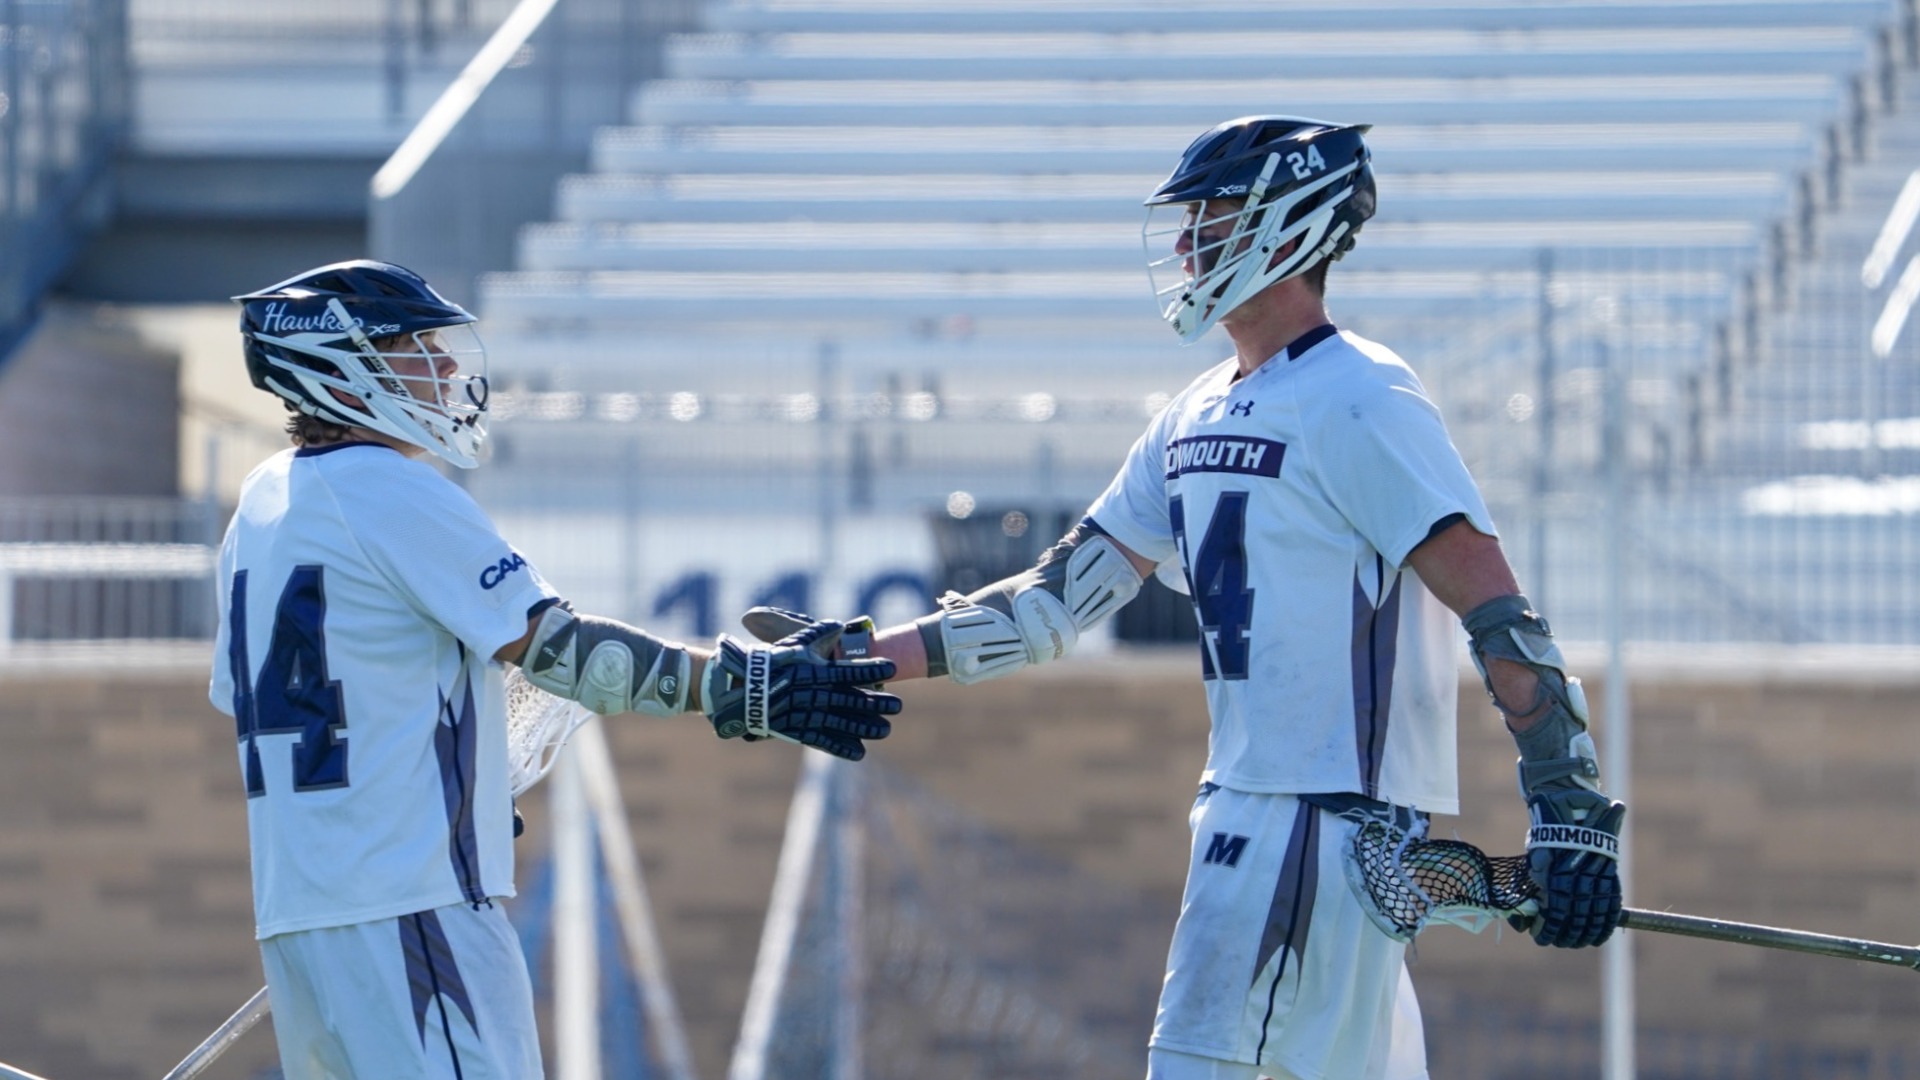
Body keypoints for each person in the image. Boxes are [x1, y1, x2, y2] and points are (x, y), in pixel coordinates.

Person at [746, 117, 1627, 1080]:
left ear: (1284, 227)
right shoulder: (1196, 408)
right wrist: (870, 655)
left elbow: (1496, 610)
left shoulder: (1364, 395)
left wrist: (1567, 812)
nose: (1182, 247)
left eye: (1206, 220)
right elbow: (1057, 599)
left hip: (1307, 832)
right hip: (1286, 832)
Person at [208, 259, 901, 1079]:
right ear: (340, 370)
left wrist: (452, 782)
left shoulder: (259, 503)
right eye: (410, 349)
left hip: (301, 917)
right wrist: (739, 687)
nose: (440, 369)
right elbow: (566, 653)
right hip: (412, 911)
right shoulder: (388, 488)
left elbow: (295, 696)